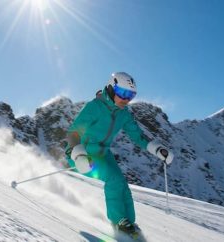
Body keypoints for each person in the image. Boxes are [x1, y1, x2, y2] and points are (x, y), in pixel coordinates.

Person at [63, 72, 174, 237]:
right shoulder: (95, 107)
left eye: (131, 95)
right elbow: (73, 132)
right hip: (83, 154)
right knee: (114, 180)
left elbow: (137, 135)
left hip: (103, 153)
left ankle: (129, 222)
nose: (126, 99)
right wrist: (78, 154)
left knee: (122, 183)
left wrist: (156, 149)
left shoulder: (124, 113)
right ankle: (119, 222)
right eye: (123, 93)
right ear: (111, 88)